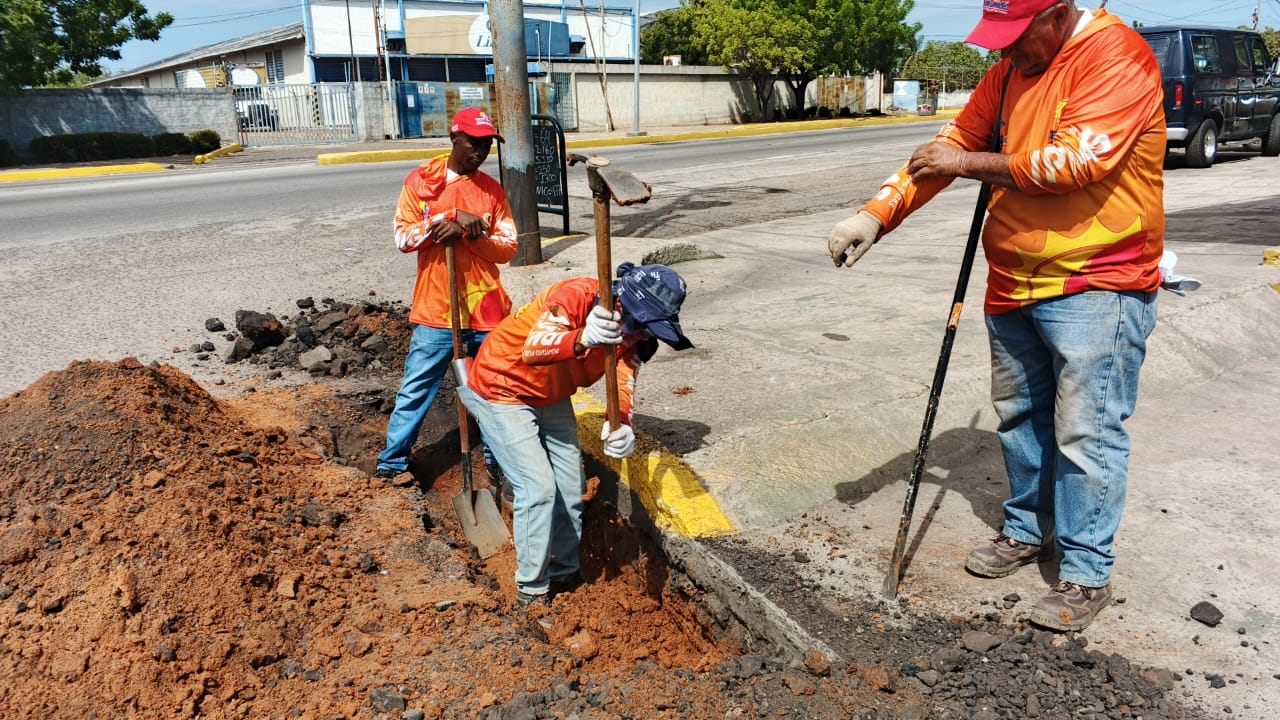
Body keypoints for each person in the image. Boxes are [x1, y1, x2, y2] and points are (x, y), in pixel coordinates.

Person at [826, 0, 1164, 631]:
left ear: (1056, 13)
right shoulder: (1008, 73)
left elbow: (1070, 164)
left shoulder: (1116, 56)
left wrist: (964, 164)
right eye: (998, 38)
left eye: (1016, 36)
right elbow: (950, 146)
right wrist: (876, 214)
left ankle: (1086, 572)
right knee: (1019, 416)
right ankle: (1027, 530)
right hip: (1013, 281)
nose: (1004, 51)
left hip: (1096, 281)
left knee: (1086, 431)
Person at [455, 263, 694, 607]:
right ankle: (532, 592)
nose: (645, 336)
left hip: (550, 393)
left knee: (569, 486)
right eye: (643, 326)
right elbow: (534, 348)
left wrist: (621, 422)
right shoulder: (577, 296)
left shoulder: (636, 338)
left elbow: (622, 379)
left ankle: (564, 573)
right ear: (624, 307)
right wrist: (581, 338)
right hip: (501, 386)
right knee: (537, 489)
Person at [375, 108, 518, 484]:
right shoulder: (422, 182)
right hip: (437, 308)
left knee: (493, 389)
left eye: (487, 144)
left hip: (487, 309)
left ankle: (497, 461)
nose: (481, 152)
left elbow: (508, 247)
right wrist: (447, 218)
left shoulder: (491, 191)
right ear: (455, 138)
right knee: (417, 387)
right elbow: (403, 238)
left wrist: (471, 234)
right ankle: (392, 463)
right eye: (474, 142)